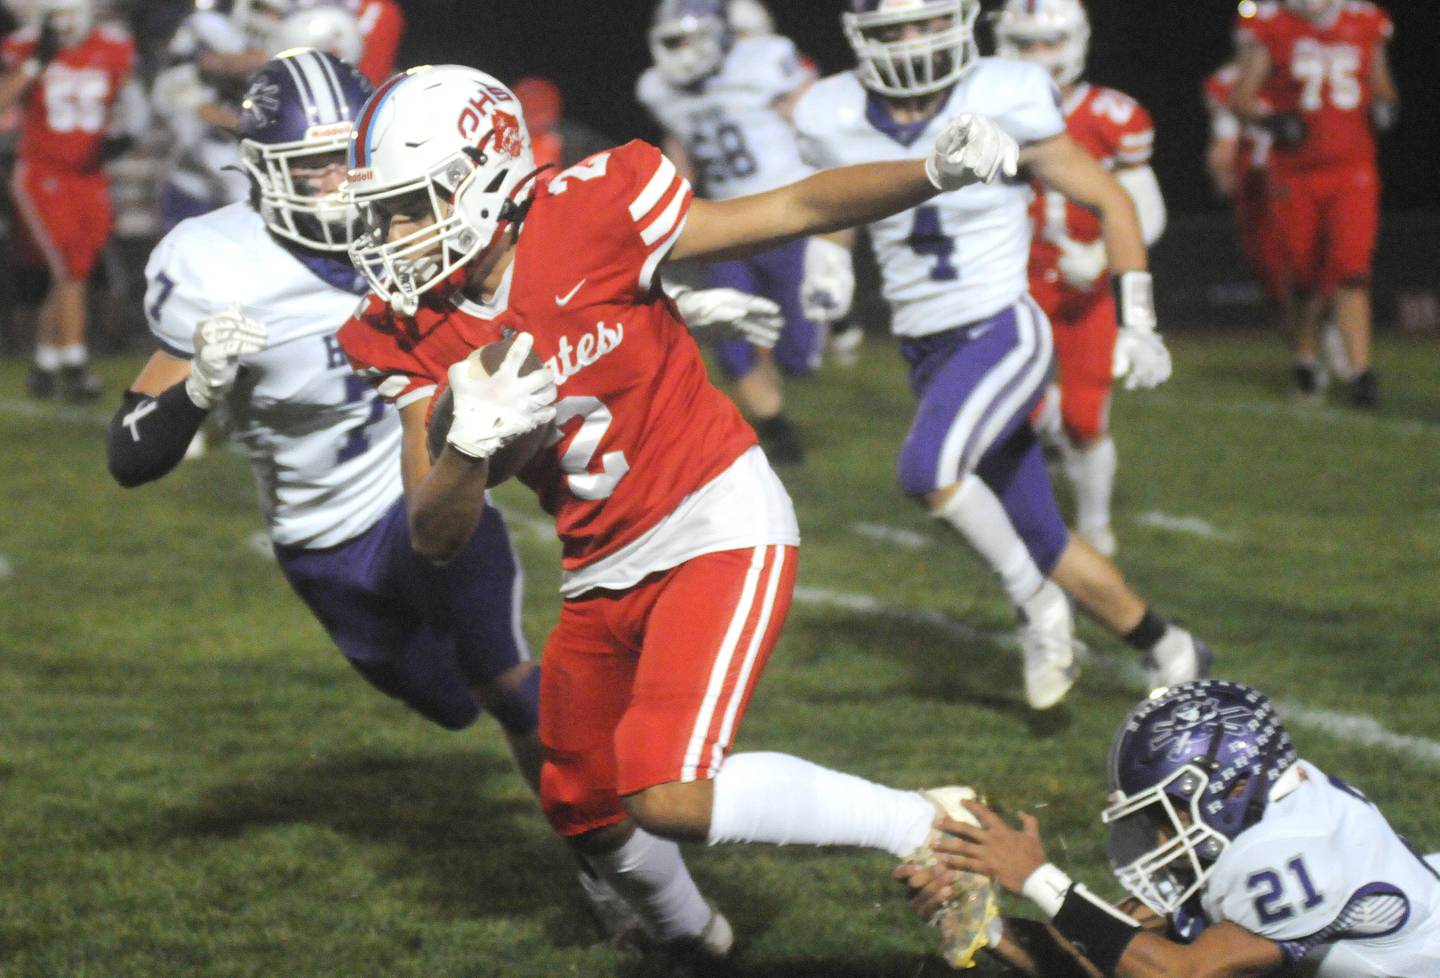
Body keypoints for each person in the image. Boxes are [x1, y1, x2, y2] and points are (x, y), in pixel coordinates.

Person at [337, 63, 1025, 966]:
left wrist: (933, 170)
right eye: (382, 211)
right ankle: (697, 941)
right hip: (598, 558)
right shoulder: (400, 324)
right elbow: (435, 536)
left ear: (486, 178)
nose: (391, 234)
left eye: (411, 204)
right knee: (578, 803)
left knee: (666, 794)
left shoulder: (596, 205)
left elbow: (794, 209)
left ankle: (923, 823)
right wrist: (470, 448)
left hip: (714, 513)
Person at [792, 0, 1210, 710]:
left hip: (1001, 328)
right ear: (863, 36)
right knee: (1041, 532)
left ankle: (1035, 606)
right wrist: (826, 263)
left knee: (928, 470)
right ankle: (1169, 645)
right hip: (924, 344)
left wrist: (1137, 321)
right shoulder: (829, 112)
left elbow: (1112, 198)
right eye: (898, 26)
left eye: (929, 21)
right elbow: (835, 207)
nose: (916, 41)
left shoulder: (1004, 92)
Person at [899, 679, 1440, 977]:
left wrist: (1039, 878)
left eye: (1166, 813)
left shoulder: (1291, 853)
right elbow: (1111, 951)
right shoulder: (1258, 815)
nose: (1159, 836)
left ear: (1230, 786)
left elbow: (1178, 974)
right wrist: (982, 923)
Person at [993, 0, 1167, 559]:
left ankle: (1093, 525)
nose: (1039, 57)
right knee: (1008, 404)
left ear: (1077, 42)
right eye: (1024, 44)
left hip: (1082, 287)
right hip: (1009, 283)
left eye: (1049, 43)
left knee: (1086, 416)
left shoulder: (1113, 115)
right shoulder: (985, 109)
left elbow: (1145, 207)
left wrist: (1097, 257)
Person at [637, 0, 835, 465]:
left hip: (786, 211)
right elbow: (680, 147)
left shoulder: (763, 62)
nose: (682, 51)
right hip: (728, 219)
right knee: (731, 332)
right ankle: (776, 429)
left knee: (797, 356)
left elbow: (813, 116)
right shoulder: (658, 89)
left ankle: (809, 349)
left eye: (690, 38)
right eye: (673, 40)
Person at [1230, 0, 1398, 407]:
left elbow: (1382, 83)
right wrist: (1271, 122)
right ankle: (1305, 357)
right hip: (1296, 170)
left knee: (1353, 271)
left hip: (1353, 166)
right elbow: (1242, 99)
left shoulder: (1365, 22)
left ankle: (1361, 371)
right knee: (1303, 276)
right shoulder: (1275, 27)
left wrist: (1385, 104)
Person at [0, 0, 133, 400]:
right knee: (69, 267)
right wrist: (36, 65)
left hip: (91, 175)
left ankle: (45, 361)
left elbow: (128, 100)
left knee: (72, 268)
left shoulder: (113, 47)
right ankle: (75, 363)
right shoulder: (26, 48)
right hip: (43, 172)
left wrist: (124, 132)